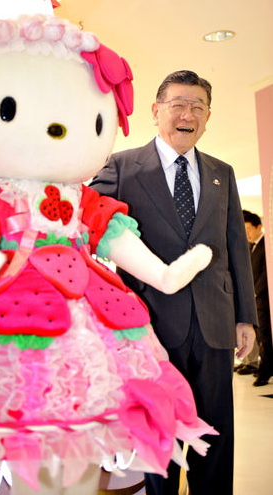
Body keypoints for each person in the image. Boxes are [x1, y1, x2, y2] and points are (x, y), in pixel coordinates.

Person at [89, 70, 257, 495]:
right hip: (152, 324)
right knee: (161, 432)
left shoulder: (223, 172)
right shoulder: (122, 166)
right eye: (178, 104)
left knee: (216, 430)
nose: (188, 114)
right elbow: (89, 220)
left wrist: (246, 318)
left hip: (216, 323)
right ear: (156, 111)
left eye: (198, 107)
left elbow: (235, 246)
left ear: (208, 117)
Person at [242, 209, 273, 386]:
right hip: (256, 300)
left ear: (259, 227)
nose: (247, 233)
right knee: (261, 335)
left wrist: (255, 292)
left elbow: (265, 275)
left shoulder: (266, 247)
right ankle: (265, 366)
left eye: (249, 228)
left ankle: (266, 369)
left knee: (265, 335)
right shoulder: (252, 247)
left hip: (263, 299)